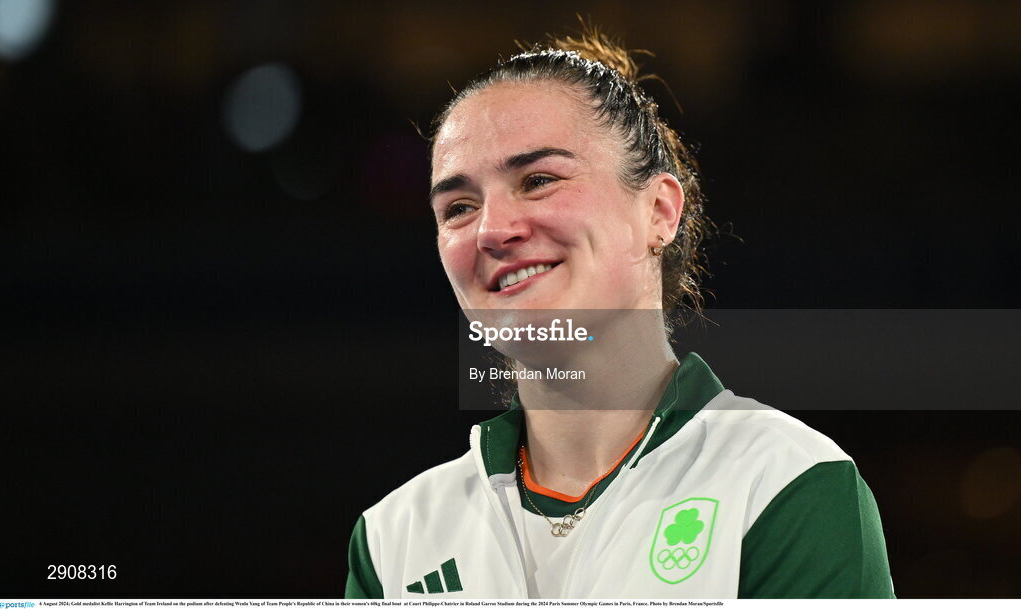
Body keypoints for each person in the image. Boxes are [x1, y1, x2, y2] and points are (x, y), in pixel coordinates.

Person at [345, 26, 894, 599]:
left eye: (537, 181)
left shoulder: (784, 484)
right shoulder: (393, 540)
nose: (492, 231)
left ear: (659, 211)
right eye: (458, 207)